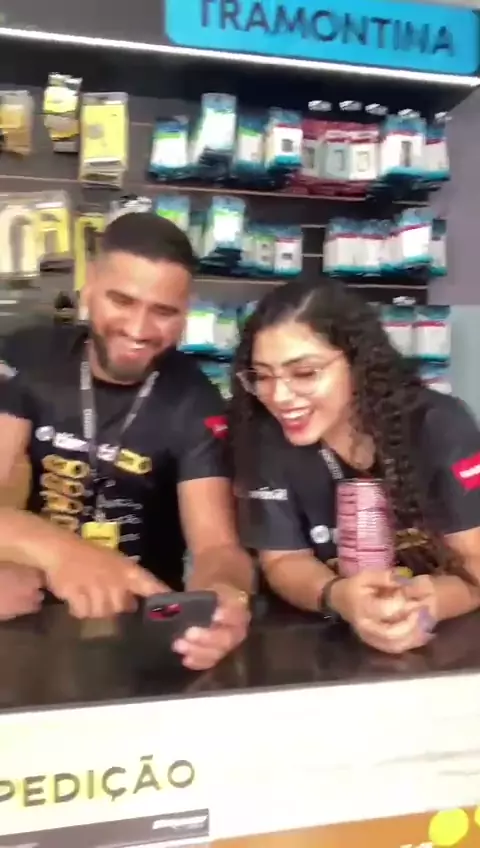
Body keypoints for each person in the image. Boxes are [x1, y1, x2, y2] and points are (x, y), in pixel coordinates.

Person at [0, 212, 253, 670]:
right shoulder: (26, 358)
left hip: (143, 634)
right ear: (89, 286)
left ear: (186, 311)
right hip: (26, 618)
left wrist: (224, 598)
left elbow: (217, 547)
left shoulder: (195, 399)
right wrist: (65, 555)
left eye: (164, 311)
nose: (139, 329)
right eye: (122, 300)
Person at [230, 278, 480, 655]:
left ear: (357, 364)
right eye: (262, 376)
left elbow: (475, 560)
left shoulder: (439, 426)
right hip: (317, 648)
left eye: (304, 373)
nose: (279, 397)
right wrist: (338, 595)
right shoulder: (265, 438)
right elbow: (282, 559)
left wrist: (428, 602)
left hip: (442, 645)